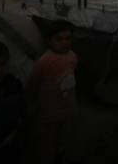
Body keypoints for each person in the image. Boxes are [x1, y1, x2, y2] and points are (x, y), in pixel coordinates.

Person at [25, 20, 78, 164]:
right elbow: (33, 82)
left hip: (67, 103)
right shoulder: (45, 61)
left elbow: (71, 76)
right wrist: (31, 102)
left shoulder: (72, 56)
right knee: (49, 133)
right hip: (49, 106)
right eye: (59, 39)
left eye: (68, 38)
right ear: (49, 41)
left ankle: (60, 150)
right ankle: (48, 155)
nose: (65, 43)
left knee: (64, 130)